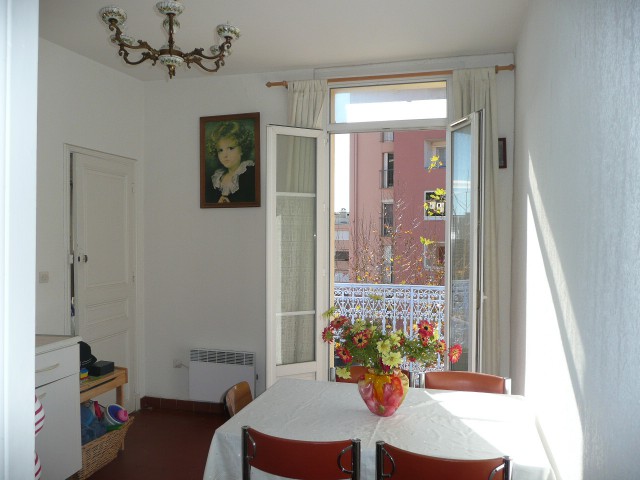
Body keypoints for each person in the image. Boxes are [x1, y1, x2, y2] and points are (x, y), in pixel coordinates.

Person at [207, 121, 256, 204]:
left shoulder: (250, 174)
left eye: (230, 148)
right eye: (220, 150)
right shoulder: (216, 179)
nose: (225, 155)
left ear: (242, 149)